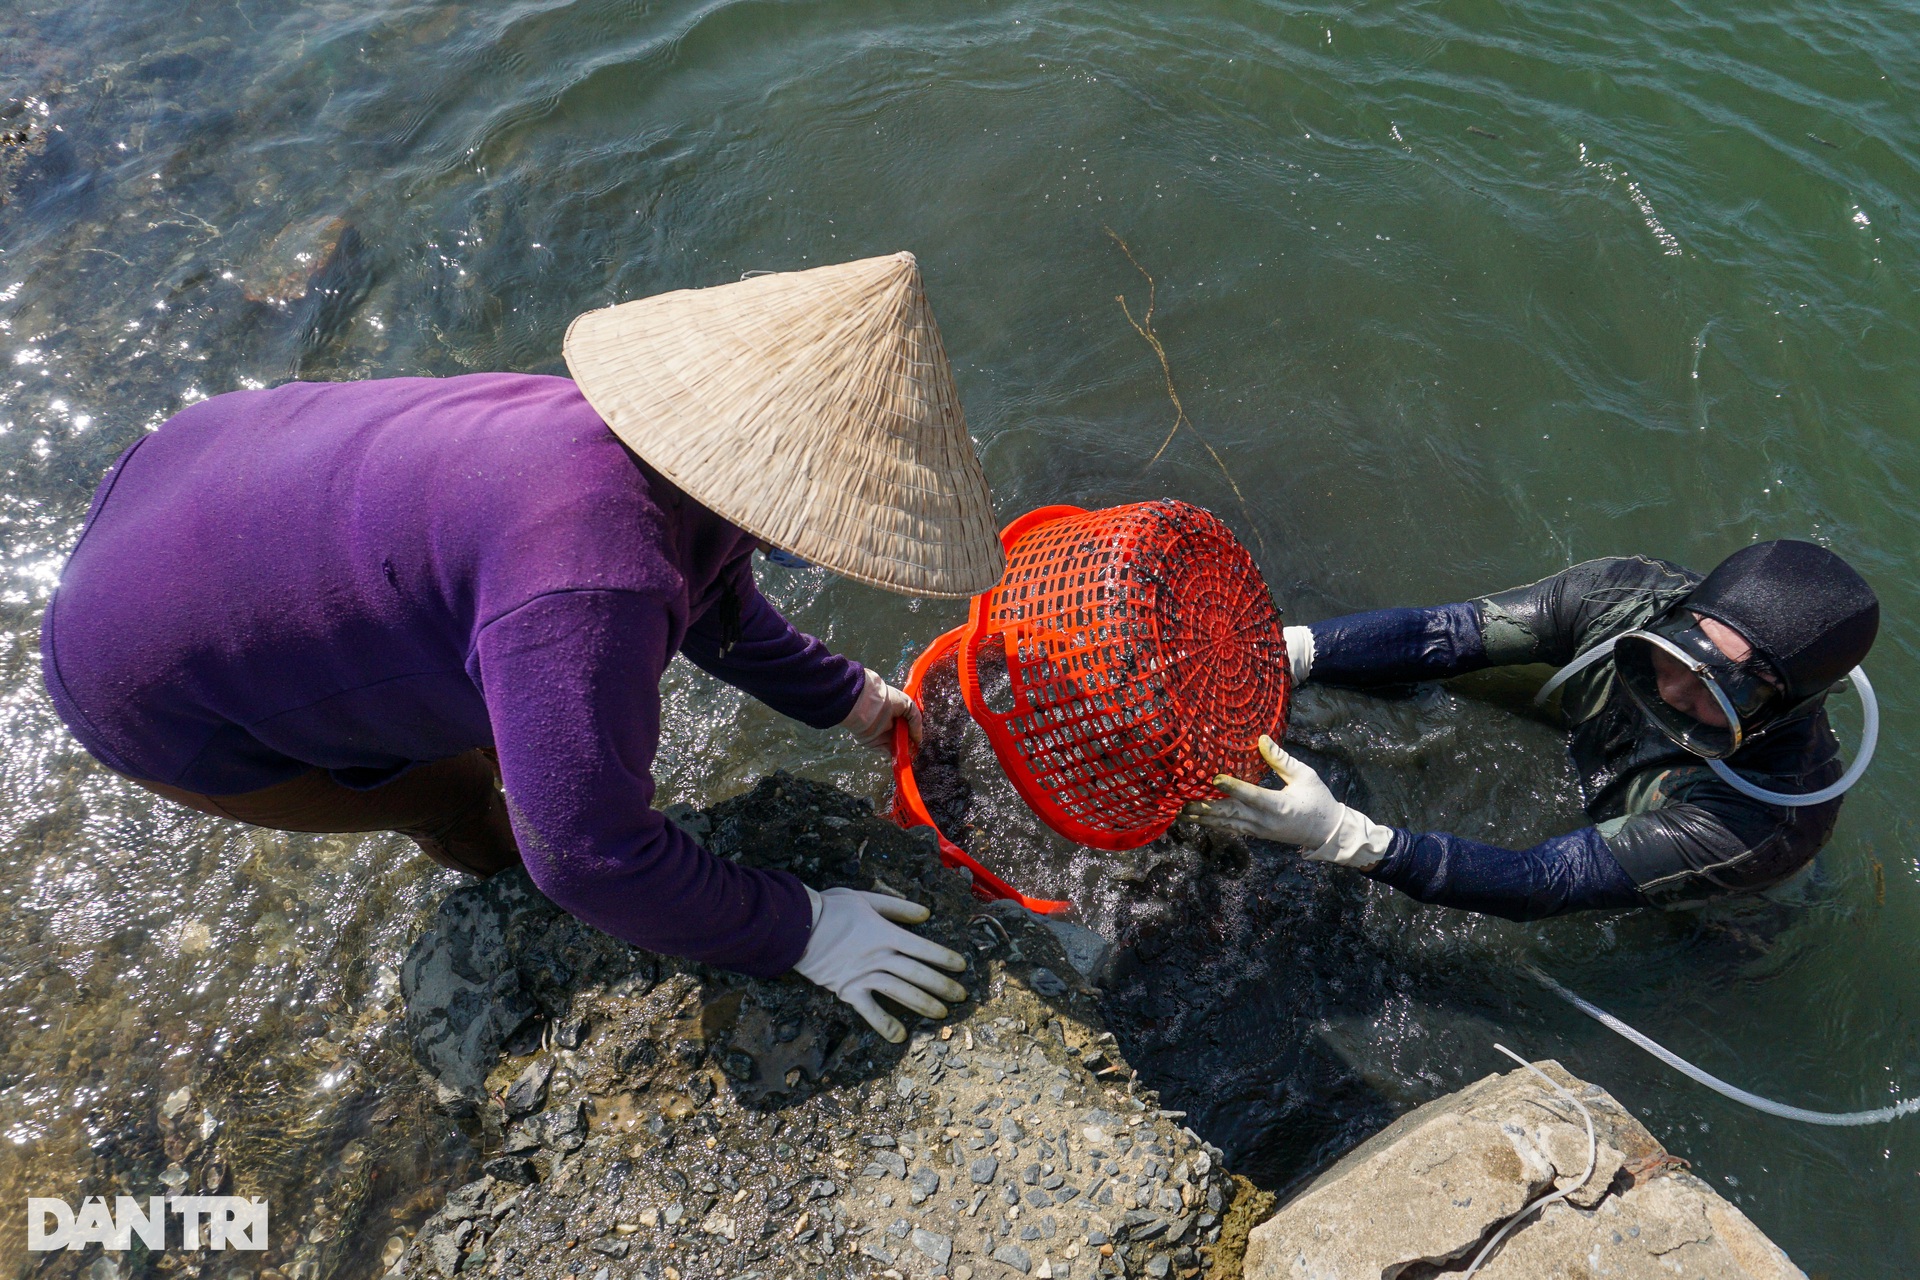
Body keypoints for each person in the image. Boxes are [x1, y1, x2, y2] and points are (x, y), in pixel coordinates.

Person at [40, 252, 1001, 1043]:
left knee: (515, 675)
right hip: (133, 672)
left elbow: (705, 574)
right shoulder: (593, 582)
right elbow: (585, 858)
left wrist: (849, 699)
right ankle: (477, 865)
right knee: (462, 789)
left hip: (195, 465)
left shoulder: (611, 433)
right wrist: (800, 929)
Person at [1185, 544, 1880, 918]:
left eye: (1722, 687)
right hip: (1604, 748)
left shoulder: (1762, 822)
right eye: (1677, 652)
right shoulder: (1623, 596)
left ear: (1779, 704)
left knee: (1683, 948)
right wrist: (1284, 654)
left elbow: (1544, 880)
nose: (1674, 687)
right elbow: (1443, 633)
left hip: (1712, 894)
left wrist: (1346, 837)